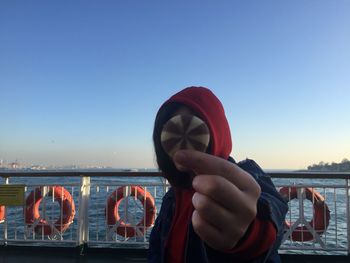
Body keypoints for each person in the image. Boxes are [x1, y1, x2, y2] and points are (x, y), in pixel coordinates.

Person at [148, 86, 288, 263]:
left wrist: (249, 235)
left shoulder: (248, 176)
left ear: (216, 134)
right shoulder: (172, 198)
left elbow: (271, 210)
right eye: (172, 127)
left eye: (195, 126)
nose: (184, 148)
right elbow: (157, 249)